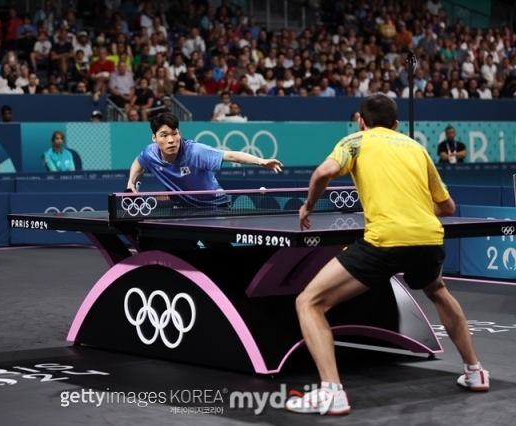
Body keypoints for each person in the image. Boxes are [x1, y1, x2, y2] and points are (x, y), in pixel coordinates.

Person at [289, 94, 488, 416]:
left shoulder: (355, 141)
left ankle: (332, 392)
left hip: (386, 241)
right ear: (395, 125)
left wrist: (308, 206)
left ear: (361, 121)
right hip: (429, 239)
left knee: (309, 302)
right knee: (437, 290)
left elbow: (321, 174)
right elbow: (447, 207)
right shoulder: (416, 147)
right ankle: (475, 370)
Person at [127, 112, 283, 207]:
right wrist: (131, 183)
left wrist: (260, 161)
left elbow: (231, 155)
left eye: (174, 133)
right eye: (164, 135)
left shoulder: (195, 152)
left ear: (179, 133)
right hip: (183, 208)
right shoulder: (150, 154)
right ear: (154, 138)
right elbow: (138, 163)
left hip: (214, 206)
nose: (171, 140)